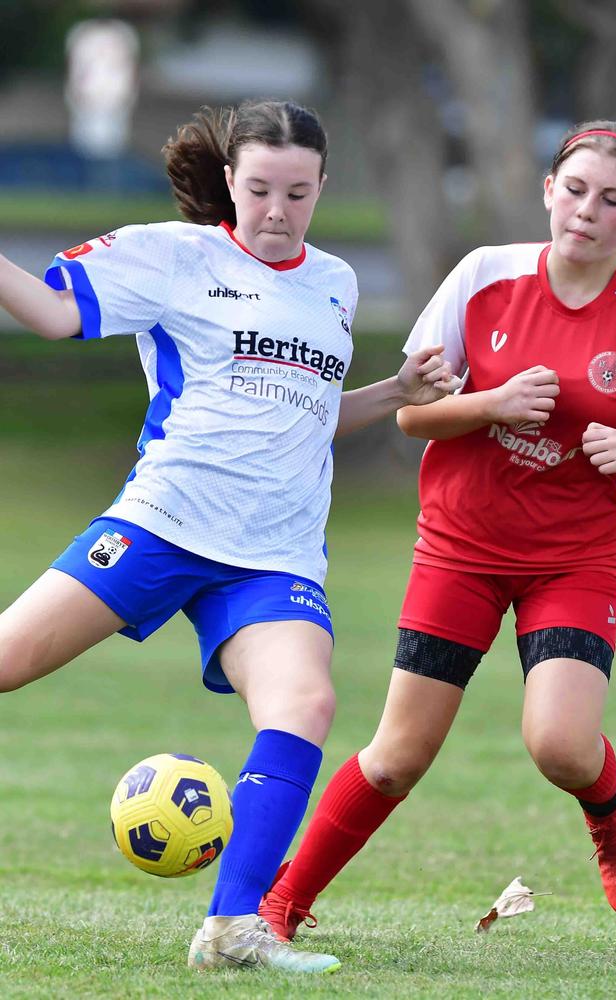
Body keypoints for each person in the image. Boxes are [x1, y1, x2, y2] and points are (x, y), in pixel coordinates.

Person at [0, 99, 457, 975]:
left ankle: (232, 928)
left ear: (323, 187)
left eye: (298, 192)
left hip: (274, 554)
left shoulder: (335, 283)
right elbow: (56, 315)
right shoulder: (173, 256)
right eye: (259, 191)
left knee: (305, 708)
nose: (278, 211)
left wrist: (395, 392)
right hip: (163, 525)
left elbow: (309, 416)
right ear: (228, 185)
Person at [260, 119, 616, 948]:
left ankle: (615, 822)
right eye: (575, 190)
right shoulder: (483, 277)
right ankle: (278, 908)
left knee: (560, 745)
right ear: (550, 191)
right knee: (397, 755)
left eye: (612, 200)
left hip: (575, 559)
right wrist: (490, 404)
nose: (587, 211)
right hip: (461, 548)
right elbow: (411, 413)